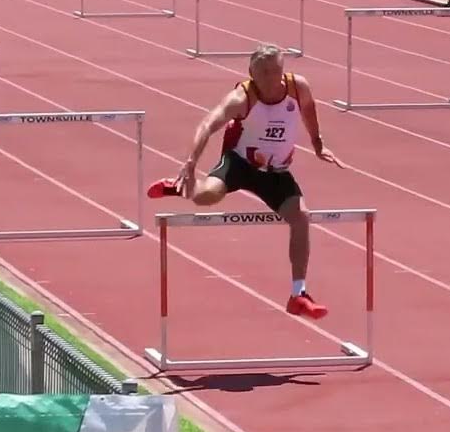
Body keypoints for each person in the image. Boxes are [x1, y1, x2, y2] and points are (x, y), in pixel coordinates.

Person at [146, 44, 345, 319]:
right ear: (251, 73)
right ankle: (182, 187)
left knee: (301, 217)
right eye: (263, 73)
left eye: (275, 71)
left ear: (282, 70)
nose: (270, 79)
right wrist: (191, 162)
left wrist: (318, 143)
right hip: (239, 163)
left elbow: (309, 109)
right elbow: (207, 124)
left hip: (276, 173)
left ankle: (298, 294)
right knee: (207, 197)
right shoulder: (242, 98)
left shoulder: (298, 88)